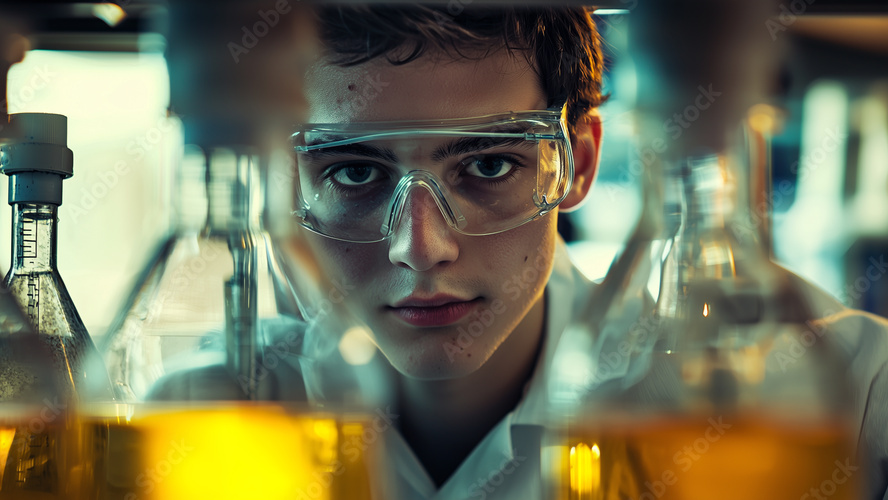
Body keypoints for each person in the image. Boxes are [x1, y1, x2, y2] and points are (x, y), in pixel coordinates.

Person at [278, 5, 888, 500]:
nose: (420, 249)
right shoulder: (217, 409)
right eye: (355, 173)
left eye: (488, 164)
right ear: (286, 181)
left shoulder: (851, 391)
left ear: (579, 163)